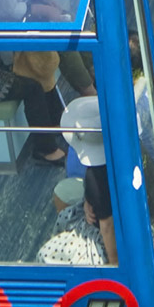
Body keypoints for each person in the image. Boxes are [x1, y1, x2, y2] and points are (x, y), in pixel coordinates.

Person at [61, 96, 115, 264]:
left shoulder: (95, 176)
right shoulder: (125, 152)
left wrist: (115, 264)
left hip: (108, 239)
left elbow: (107, 227)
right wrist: (88, 201)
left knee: (46, 254)